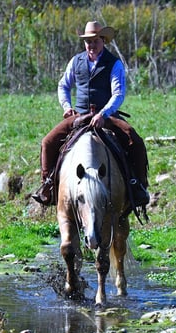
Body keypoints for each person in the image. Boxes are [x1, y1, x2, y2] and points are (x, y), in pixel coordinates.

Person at [32, 21, 150, 210]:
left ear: (103, 40)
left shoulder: (114, 64)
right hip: (79, 116)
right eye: (87, 41)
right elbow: (63, 85)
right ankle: (47, 185)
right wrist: (66, 106)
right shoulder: (76, 61)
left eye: (95, 41)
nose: (91, 45)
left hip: (106, 116)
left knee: (134, 140)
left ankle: (138, 185)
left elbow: (118, 94)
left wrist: (104, 113)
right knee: (48, 142)